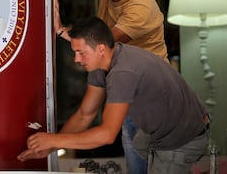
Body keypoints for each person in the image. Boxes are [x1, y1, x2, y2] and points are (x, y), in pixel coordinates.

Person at [18, 16, 209, 174]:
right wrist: (50, 147)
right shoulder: (101, 63)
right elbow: (85, 114)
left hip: (184, 136)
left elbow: (107, 135)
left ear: (101, 49)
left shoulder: (123, 73)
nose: (76, 59)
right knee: (140, 145)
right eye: (74, 52)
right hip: (157, 131)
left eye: (80, 52)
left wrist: (54, 140)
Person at [54, 0, 169, 173]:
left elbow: (104, 41)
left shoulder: (141, 8)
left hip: (153, 101)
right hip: (124, 89)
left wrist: (62, 30)